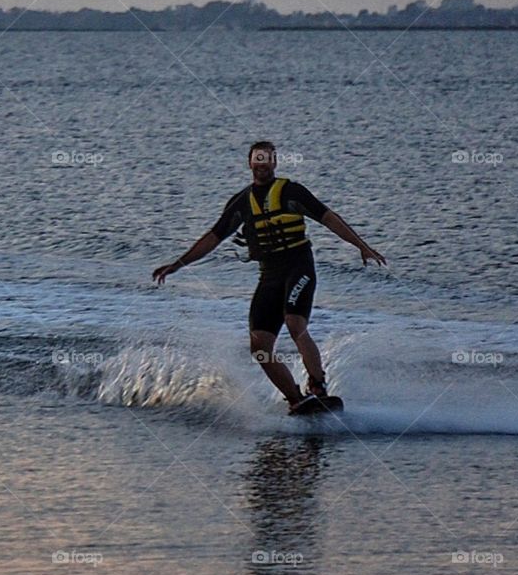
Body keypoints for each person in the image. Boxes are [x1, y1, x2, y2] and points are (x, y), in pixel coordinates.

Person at [152, 141, 386, 413]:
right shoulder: (241, 202)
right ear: (249, 163)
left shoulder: (291, 192)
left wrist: (362, 246)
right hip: (269, 275)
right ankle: (297, 400)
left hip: (298, 265)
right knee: (259, 347)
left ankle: (318, 386)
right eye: (256, 159)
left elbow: (330, 218)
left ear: (274, 163)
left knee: (294, 322)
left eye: (267, 159)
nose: (261, 164)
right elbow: (213, 237)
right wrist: (179, 263)